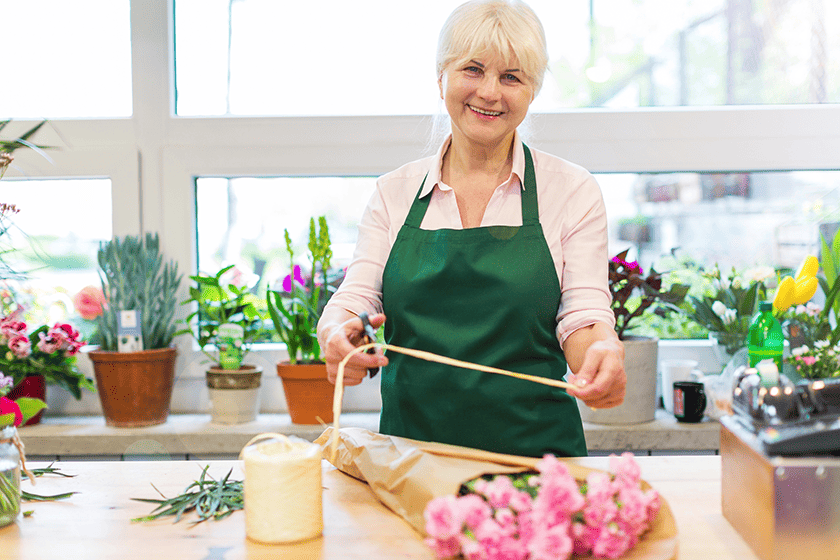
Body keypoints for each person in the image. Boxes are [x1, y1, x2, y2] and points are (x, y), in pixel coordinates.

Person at [317, 0, 625, 458]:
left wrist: (601, 353)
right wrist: (337, 332)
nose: (490, 92)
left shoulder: (571, 190)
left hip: (539, 463)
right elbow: (357, 298)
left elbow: (583, 313)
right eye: (473, 69)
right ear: (441, 76)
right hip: (412, 465)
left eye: (512, 76)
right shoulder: (393, 193)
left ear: (533, 90)